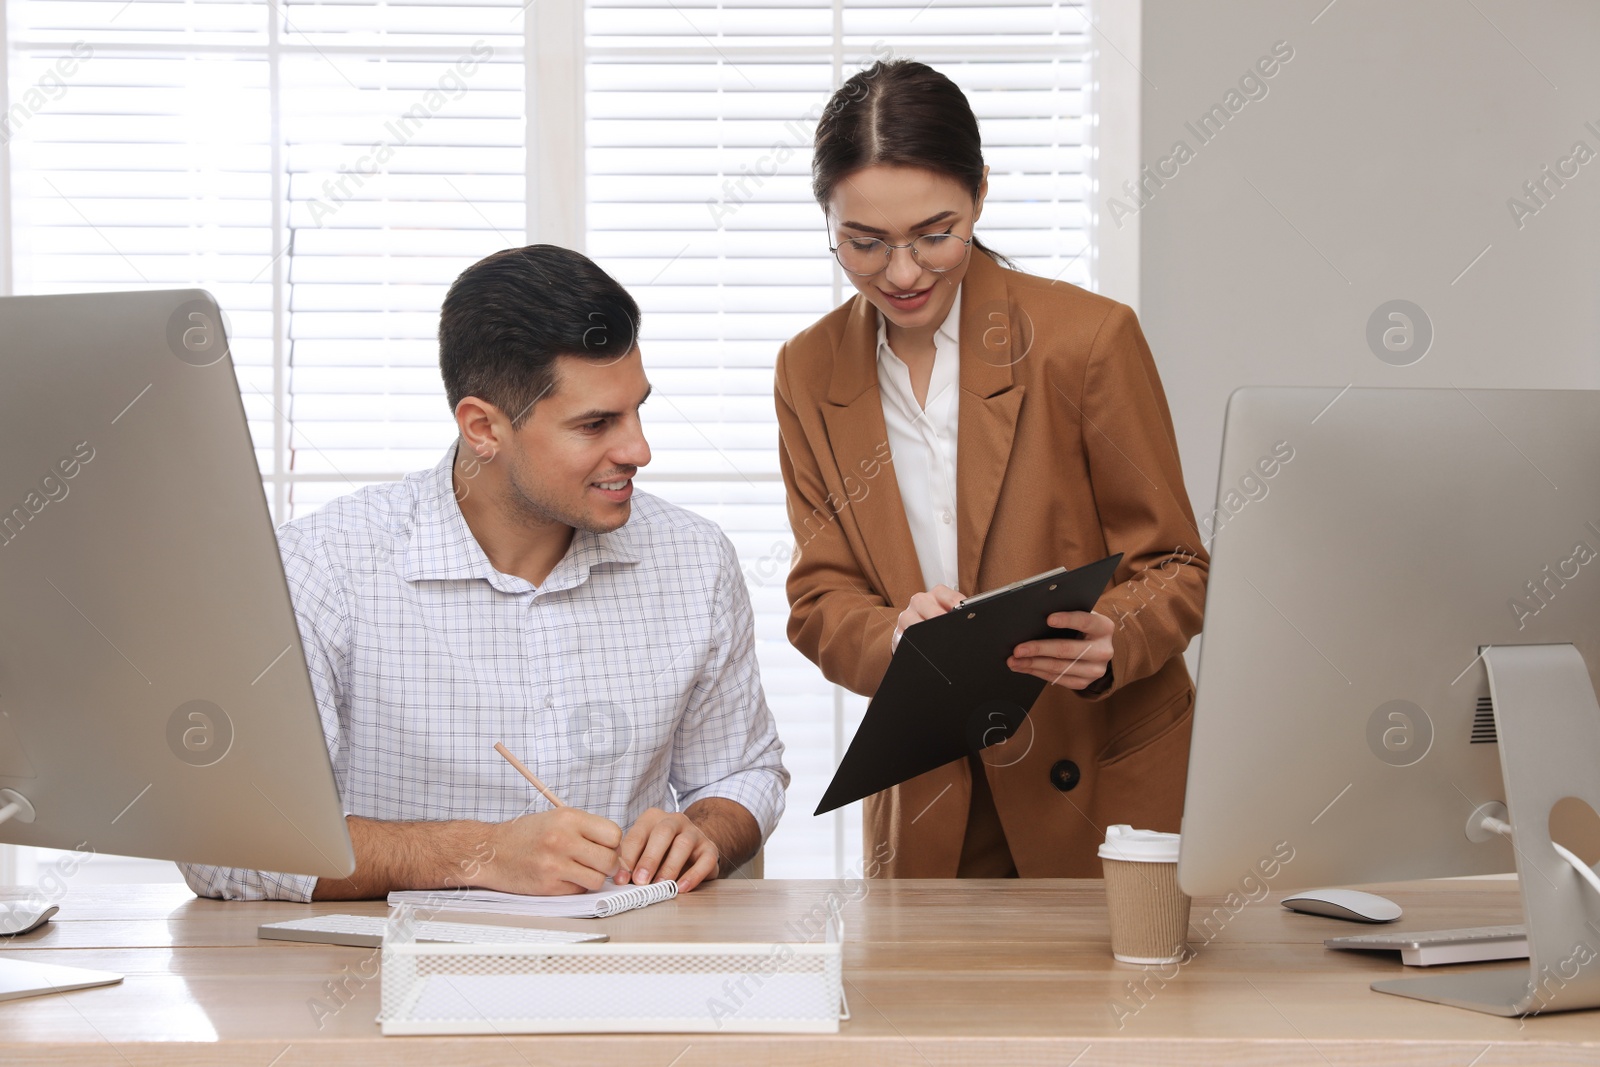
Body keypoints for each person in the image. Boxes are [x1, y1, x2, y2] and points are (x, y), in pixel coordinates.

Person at [181, 245, 788, 901]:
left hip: (627, 974)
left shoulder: (696, 560)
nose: (638, 448)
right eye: (596, 423)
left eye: (637, 408)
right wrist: (479, 854)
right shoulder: (323, 568)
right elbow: (226, 847)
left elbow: (744, 772)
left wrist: (701, 830)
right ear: (482, 428)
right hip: (387, 986)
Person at [776, 60, 1207, 879]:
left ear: (979, 194)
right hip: (933, 783)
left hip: (1100, 768)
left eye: (935, 234)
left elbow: (1177, 566)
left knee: (1128, 1003)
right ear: (829, 219)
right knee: (930, 1002)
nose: (901, 273)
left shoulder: (1087, 340)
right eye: (863, 242)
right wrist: (893, 638)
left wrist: (1117, 637)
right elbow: (820, 597)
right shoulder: (806, 369)